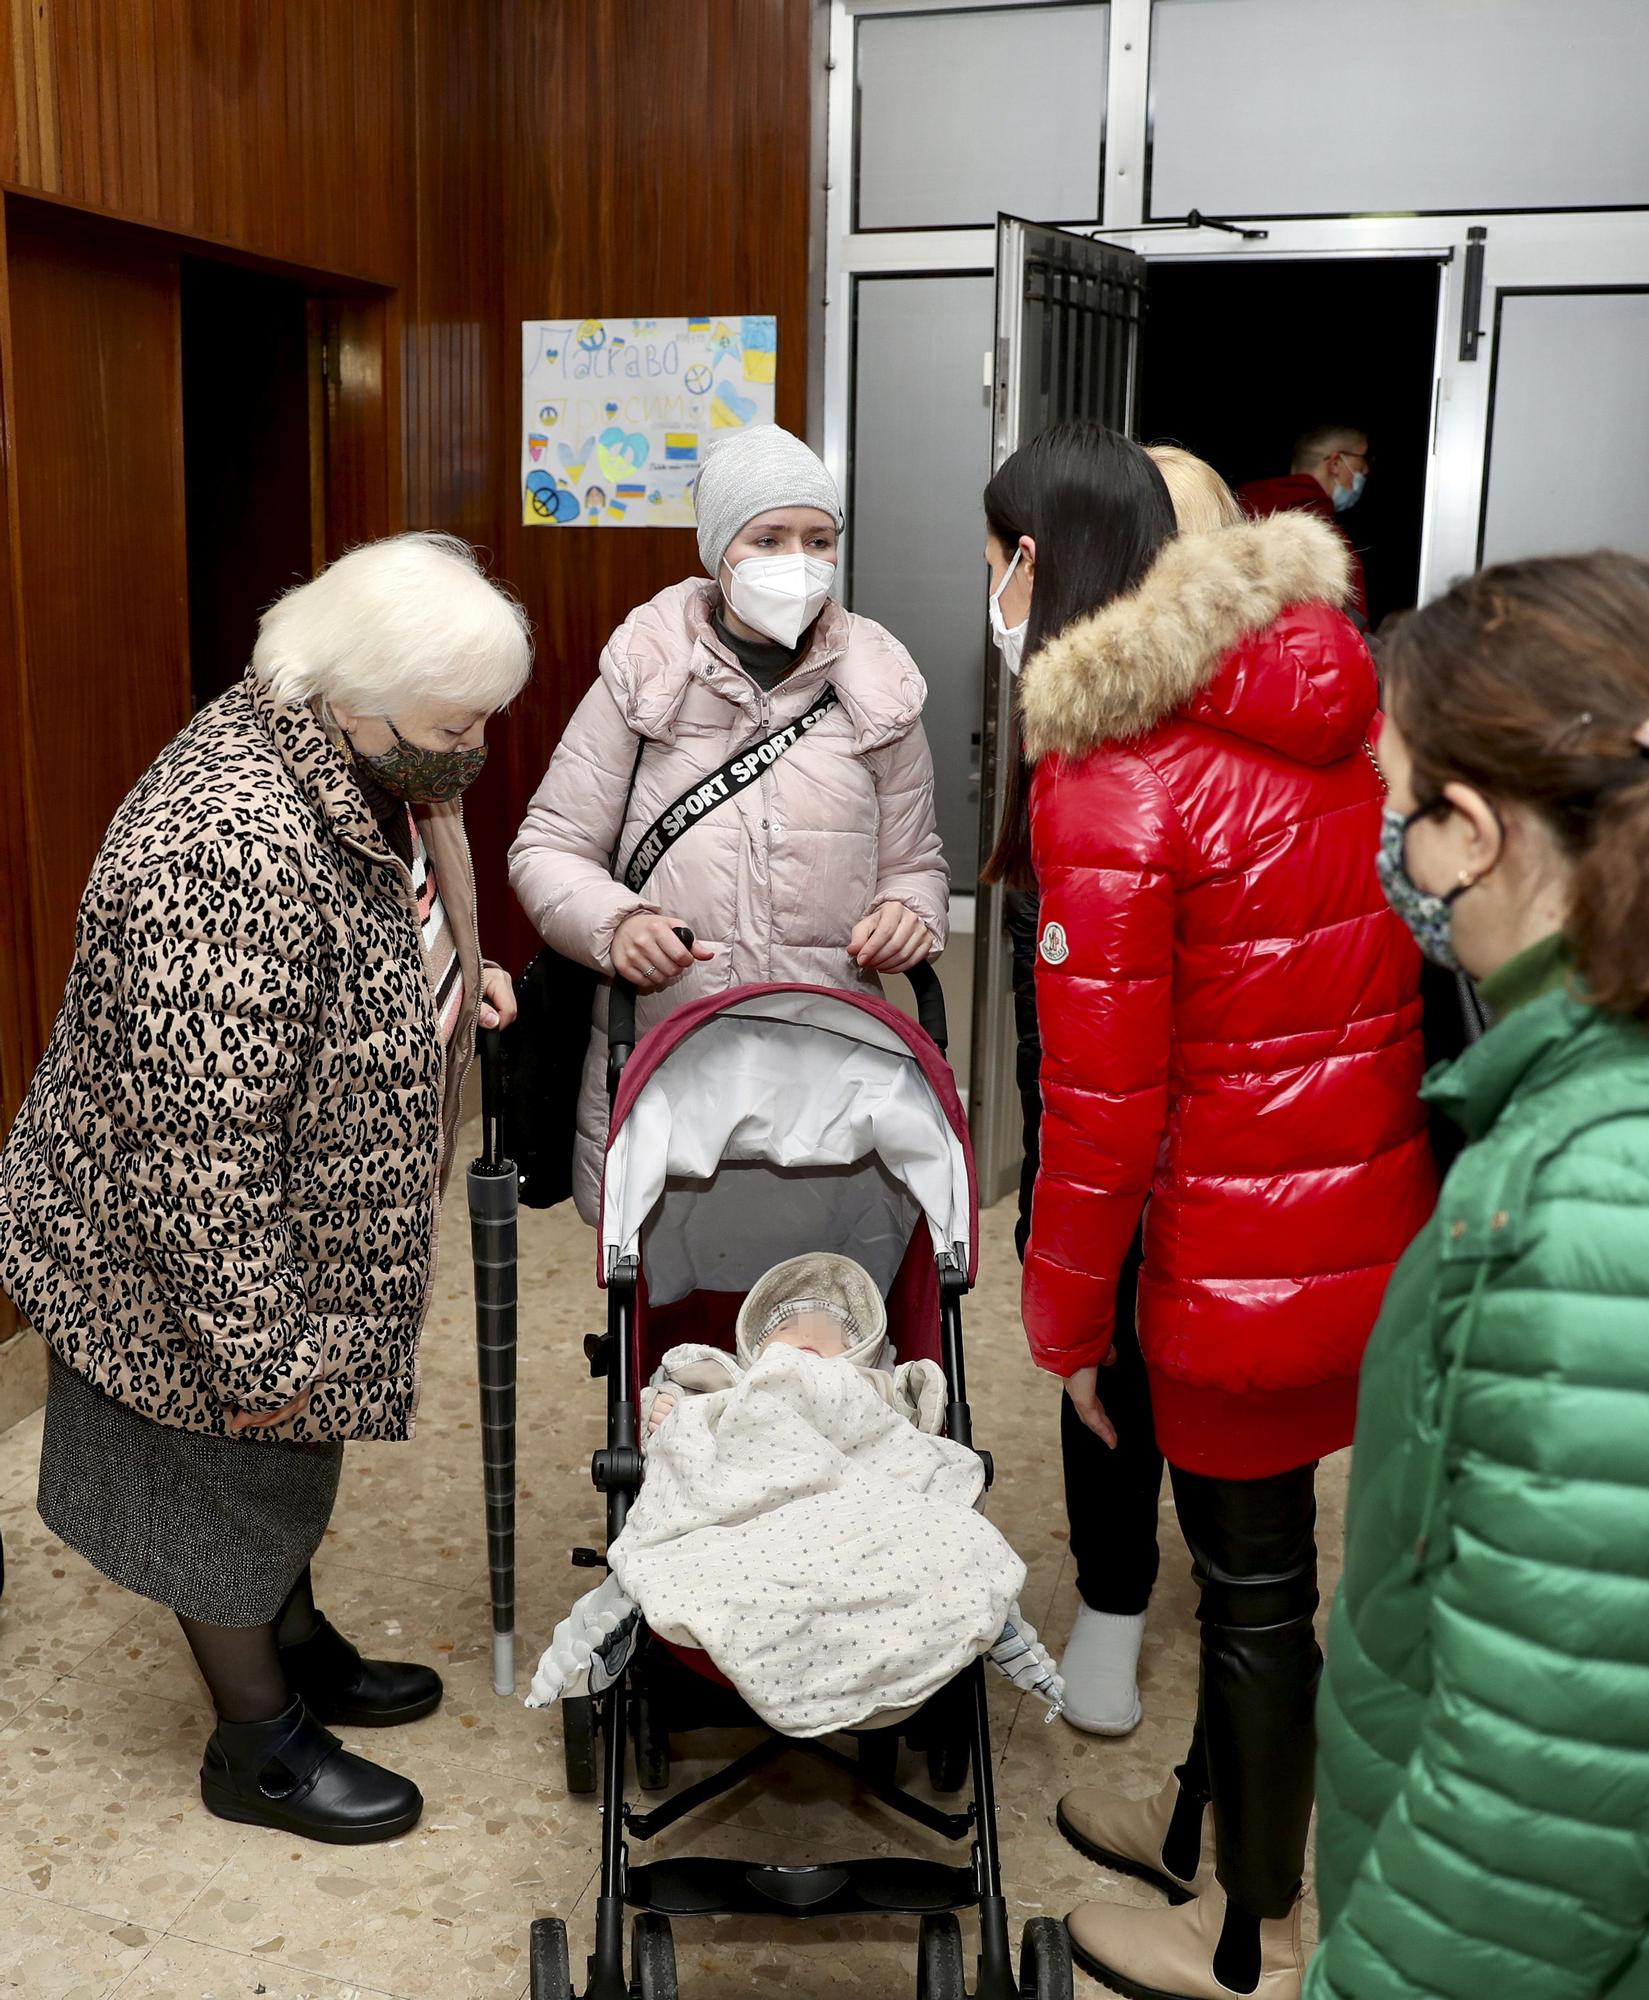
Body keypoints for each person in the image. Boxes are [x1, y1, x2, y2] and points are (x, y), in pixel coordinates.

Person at [989, 425, 1434, 2000]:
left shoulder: (1113, 775)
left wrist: (1062, 1327)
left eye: (997, 558)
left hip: (1229, 1261)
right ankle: (1202, 1831)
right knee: (1269, 1581)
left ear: (1049, 571)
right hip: (1358, 1230)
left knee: (1254, 1602)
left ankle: (1251, 1937)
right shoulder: (1342, 700)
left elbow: (1098, 1116)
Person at [0, 533, 529, 1845]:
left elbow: (378, 910)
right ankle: (258, 1743)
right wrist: (254, 1347)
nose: (472, 749)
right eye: (456, 723)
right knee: (222, 1480)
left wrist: (453, 982)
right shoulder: (227, 848)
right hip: (180, 1244)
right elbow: (199, 1143)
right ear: (360, 694)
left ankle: (296, 1645)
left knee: (289, 1468)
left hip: (287, 1209)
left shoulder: (344, 747)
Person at [1306, 553, 1649, 2000]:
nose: (1389, 848)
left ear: (1476, 831)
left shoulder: (1588, 1205)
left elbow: (1541, 1798)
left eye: (1399, 810)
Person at [509, 424, 949, 1223]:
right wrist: (618, 923)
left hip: (831, 1073)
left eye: (818, 539)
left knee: (820, 1303)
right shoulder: (642, 677)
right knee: (671, 1310)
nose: (797, 560)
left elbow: (916, 864)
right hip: (670, 1072)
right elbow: (547, 848)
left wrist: (908, 914)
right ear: (718, 549)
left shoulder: (881, 690)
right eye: (768, 537)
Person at [996, 445, 1244, 1740]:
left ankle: (1198, 1593)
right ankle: (1115, 1597)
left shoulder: (1167, 755)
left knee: (1141, 1355)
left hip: (1190, 1130)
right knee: (1107, 1363)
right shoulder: (1064, 733)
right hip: (1093, 1092)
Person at [1239, 424, 1370, 626]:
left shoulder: (1237, 512)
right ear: (1335, 464)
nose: (1367, 469)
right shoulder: (1332, 542)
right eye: (1362, 461)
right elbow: (1353, 632)